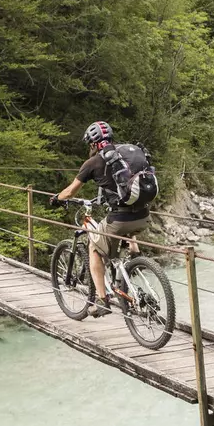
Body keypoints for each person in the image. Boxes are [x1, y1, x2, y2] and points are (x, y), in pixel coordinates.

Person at [49, 121, 150, 318]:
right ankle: (134, 252)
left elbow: (70, 192)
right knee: (122, 220)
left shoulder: (93, 162)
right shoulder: (126, 154)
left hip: (120, 220)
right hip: (144, 216)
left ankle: (103, 302)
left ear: (94, 144)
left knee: (94, 248)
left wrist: (56, 199)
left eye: (90, 144)